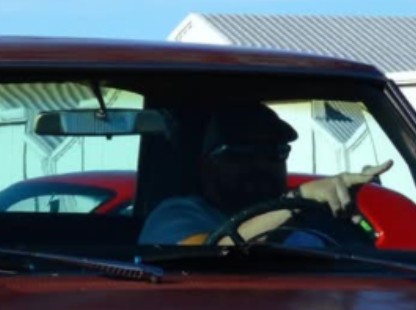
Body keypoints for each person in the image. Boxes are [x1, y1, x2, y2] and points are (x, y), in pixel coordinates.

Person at [138, 103, 385, 246]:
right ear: (206, 165)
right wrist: (297, 201)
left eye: (275, 152)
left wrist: (351, 222)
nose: (261, 165)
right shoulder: (177, 215)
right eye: (241, 152)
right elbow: (206, 257)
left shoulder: (310, 223)